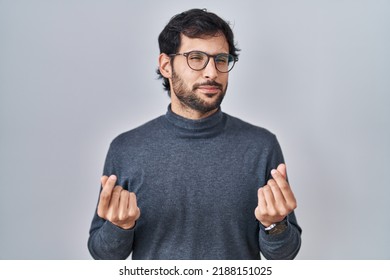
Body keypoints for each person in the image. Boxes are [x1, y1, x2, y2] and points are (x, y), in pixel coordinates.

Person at [88, 8, 302, 260]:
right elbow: (102, 254)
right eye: (196, 58)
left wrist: (274, 224)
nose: (212, 72)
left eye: (221, 59)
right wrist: (119, 227)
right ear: (166, 65)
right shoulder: (127, 148)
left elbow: (285, 254)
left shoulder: (261, 145)